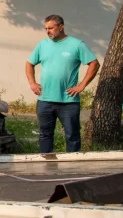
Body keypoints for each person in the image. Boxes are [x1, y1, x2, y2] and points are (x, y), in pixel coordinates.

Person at [26, 15, 99, 153]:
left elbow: (94, 64)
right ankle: (47, 166)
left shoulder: (76, 44)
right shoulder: (42, 45)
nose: (48, 31)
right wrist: (32, 83)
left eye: (51, 28)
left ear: (61, 27)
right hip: (45, 100)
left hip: (68, 101)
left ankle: (71, 168)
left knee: (72, 136)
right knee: (45, 135)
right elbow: (29, 63)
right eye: (46, 28)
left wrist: (82, 85)